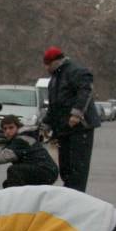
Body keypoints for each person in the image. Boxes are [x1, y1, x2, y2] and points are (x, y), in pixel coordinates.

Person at [41, 46, 99, 192]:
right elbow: (54, 106)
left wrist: (77, 113)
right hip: (63, 129)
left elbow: (85, 90)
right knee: (65, 168)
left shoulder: (75, 71)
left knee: (78, 168)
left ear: (56, 61)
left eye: (47, 64)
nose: (46, 67)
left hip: (80, 129)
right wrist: (46, 123)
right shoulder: (54, 80)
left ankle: (76, 196)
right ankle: (69, 193)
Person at [0, 115, 58, 188]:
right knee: (7, 184)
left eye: (11, 127)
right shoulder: (20, 138)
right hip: (46, 171)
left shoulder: (21, 140)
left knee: (13, 171)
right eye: (5, 129)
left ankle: (16, 198)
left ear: (18, 127)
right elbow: (2, 153)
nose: (8, 131)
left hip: (46, 171)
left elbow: (3, 157)